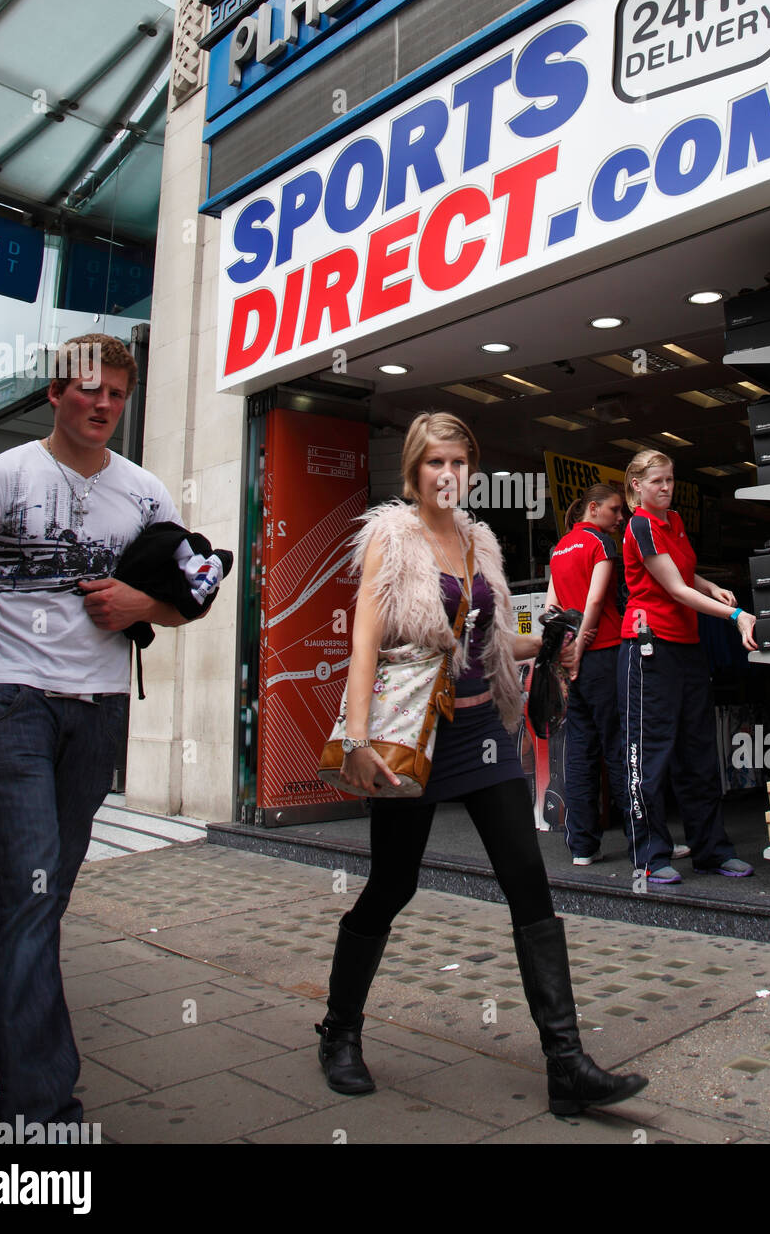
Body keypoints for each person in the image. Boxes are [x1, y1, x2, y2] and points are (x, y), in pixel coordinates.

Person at [317, 411, 648, 1116]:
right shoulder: (391, 539)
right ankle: (339, 1031)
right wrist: (356, 739)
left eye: (459, 464)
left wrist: (546, 642)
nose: (448, 476)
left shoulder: (479, 541)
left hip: (484, 736)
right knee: (392, 885)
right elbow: (366, 643)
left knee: (528, 882)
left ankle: (566, 1064)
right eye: (436, 462)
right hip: (415, 739)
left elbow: (489, 641)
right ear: (415, 468)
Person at [0, 333, 192, 1133]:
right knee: (31, 884)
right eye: (88, 390)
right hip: (5, 698)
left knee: (35, 895)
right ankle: (44, 1109)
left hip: (100, 706)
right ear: (55, 394)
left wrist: (137, 607)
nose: (102, 404)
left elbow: (192, 593)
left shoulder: (147, 492)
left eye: (117, 393)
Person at [619, 449, 757, 885]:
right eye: (657, 481)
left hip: (688, 645)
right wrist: (736, 617)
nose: (666, 487)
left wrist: (713, 585)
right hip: (650, 647)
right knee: (651, 752)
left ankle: (712, 850)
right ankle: (649, 855)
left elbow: (684, 574)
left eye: (670, 480)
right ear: (637, 485)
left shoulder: (673, 522)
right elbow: (674, 589)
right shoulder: (639, 525)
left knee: (698, 752)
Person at [546, 485, 690, 866]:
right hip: (605, 654)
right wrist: (581, 645)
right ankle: (644, 843)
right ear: (593, 509)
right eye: (613, 510)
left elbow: (551, 607)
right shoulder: (602, 544)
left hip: (573, 660)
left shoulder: (559, 548)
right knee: (622, 749)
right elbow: (595, 599)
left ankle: (582, 847)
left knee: (579, 751)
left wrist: (569, 645)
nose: (620, 517)